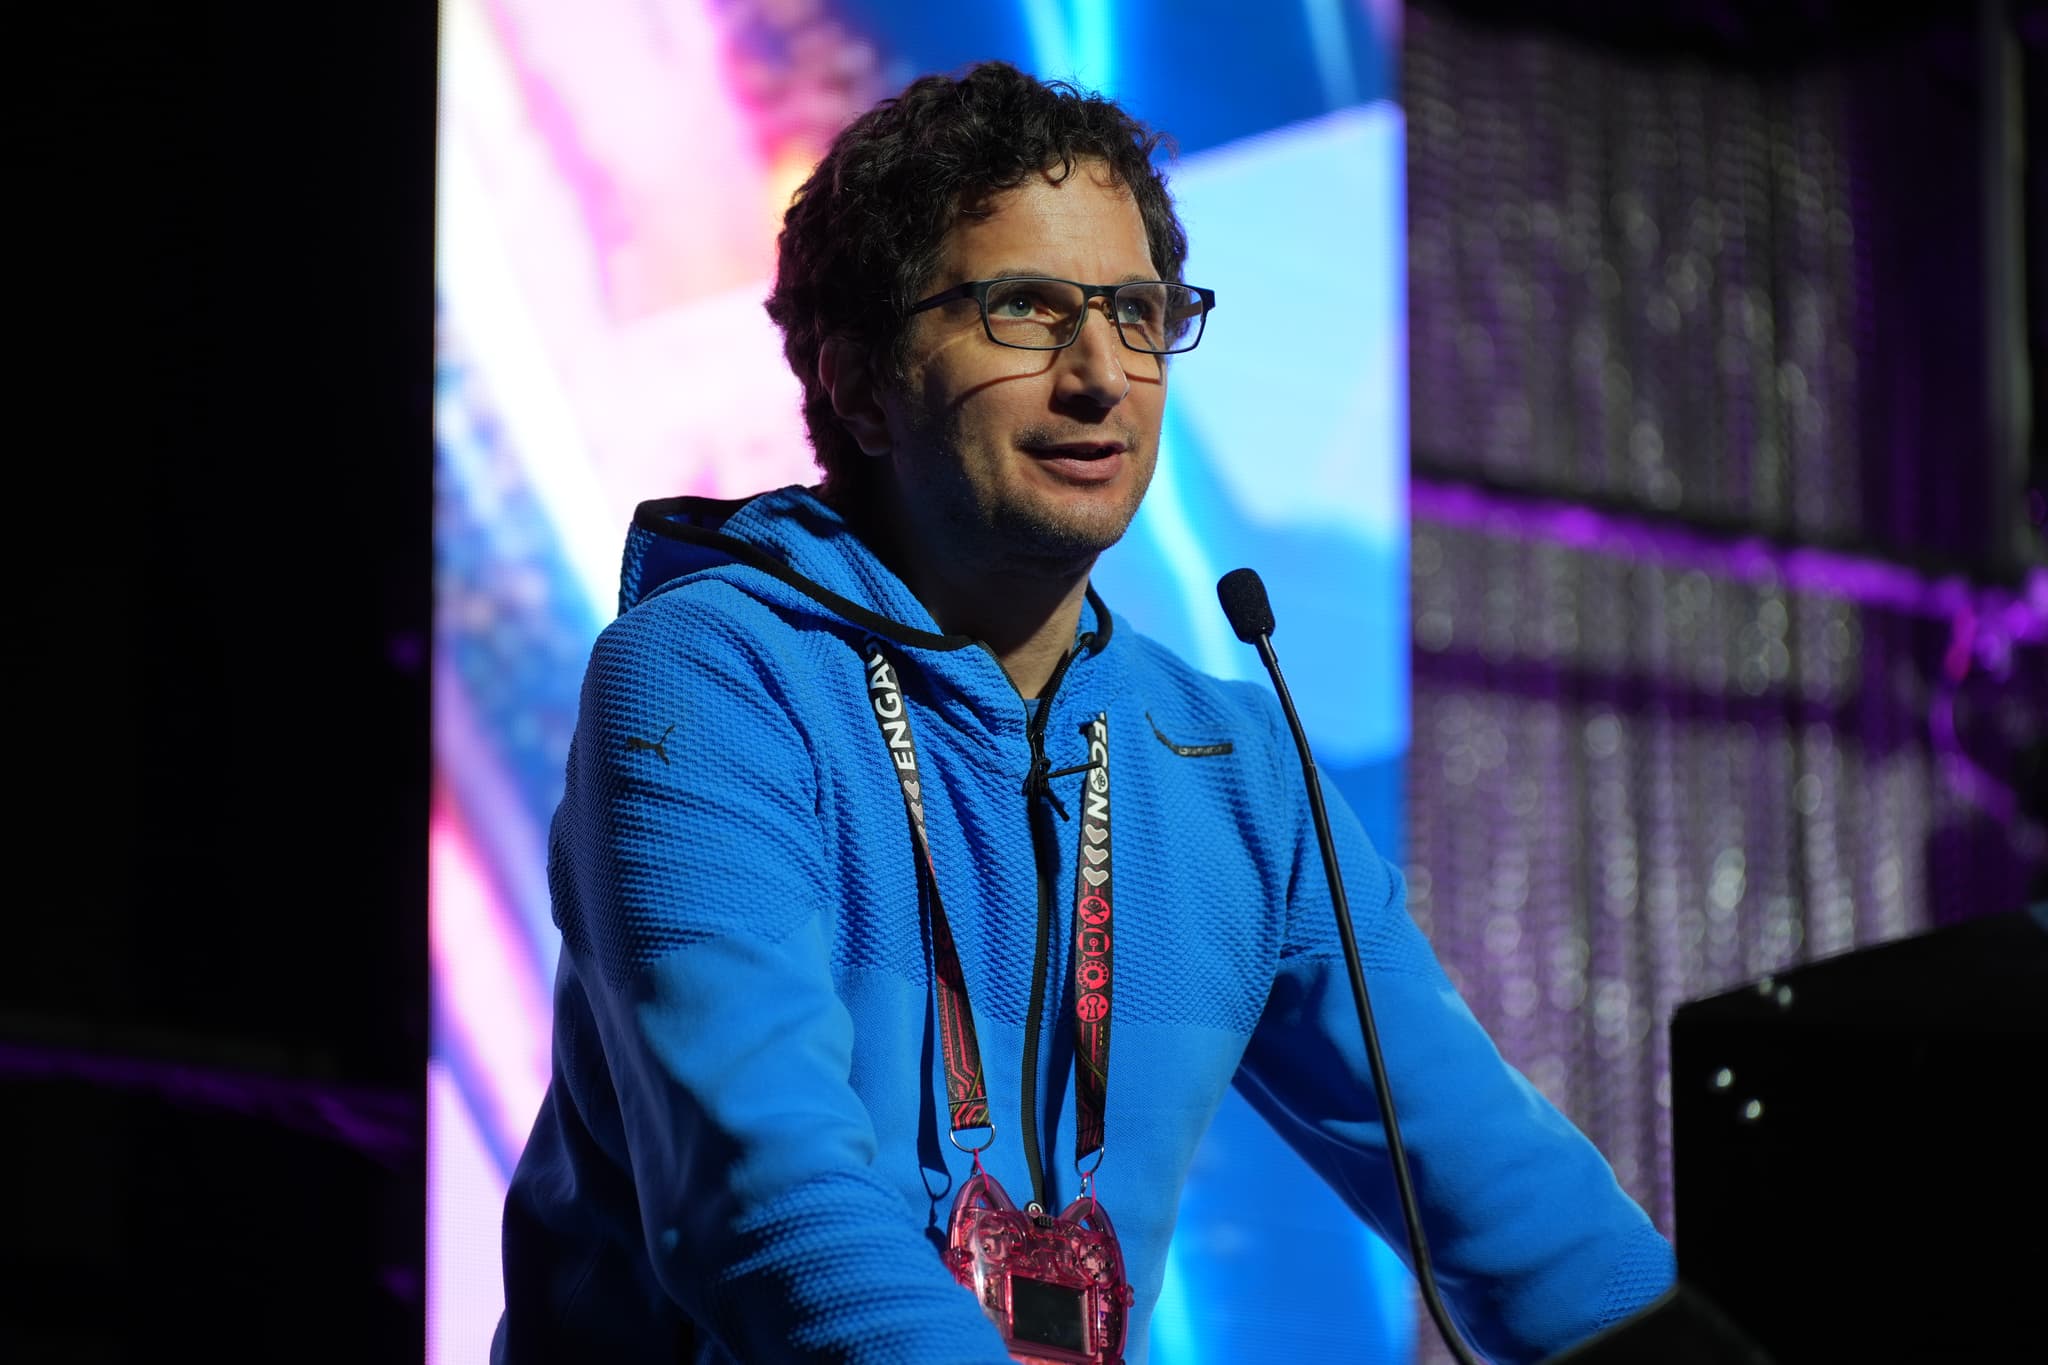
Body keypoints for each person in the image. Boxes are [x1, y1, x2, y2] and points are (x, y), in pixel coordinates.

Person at [494, 61, 1674, 1365]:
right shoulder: (709, 675)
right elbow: (764, 1204)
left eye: (1136, 311)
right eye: (1025, 310)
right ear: (864, 380)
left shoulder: (1233, 769)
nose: (1102, 374)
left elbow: (1526, 1217)